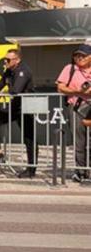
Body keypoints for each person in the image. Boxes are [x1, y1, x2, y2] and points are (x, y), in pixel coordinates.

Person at [0, 49, 36, 178]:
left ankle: (31, 169)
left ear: (17, 60)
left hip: (26, 107)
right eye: (5, 59)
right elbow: (1, 83)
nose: (5, 62)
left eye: (8, 60)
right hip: (15, 106)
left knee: (29, 138)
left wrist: (0, 93)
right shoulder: (9, 70)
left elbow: (16, 90)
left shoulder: (23, 71)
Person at [56, 44, 91, 182]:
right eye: (77, 55)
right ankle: (81, 171)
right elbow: (60, 87)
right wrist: (79, 92)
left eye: (83, 55)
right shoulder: (69, 68)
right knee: (79, 141)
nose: (79, 58)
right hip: (77, 107)